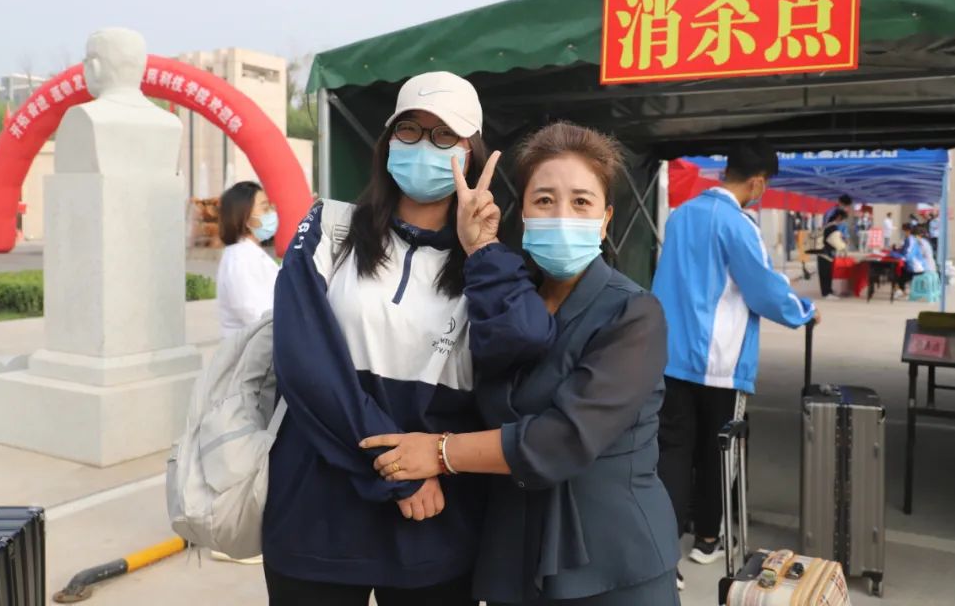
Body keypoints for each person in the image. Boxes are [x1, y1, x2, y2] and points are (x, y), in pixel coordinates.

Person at [360, 121, 681, 605]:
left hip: (612, 561)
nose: (562, 215)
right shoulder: (509, 300)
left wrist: (440, 452)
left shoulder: (634, 313)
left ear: (605, 219)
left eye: (581, 202)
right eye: (544, 200)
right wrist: (478, 247)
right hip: (513, 553)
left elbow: (563, 439)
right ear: (523, 213)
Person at [263, 72, 488, 606]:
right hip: (318, 513)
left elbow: (511, 366)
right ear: (388, 142)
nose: (424, 145)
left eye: (445, 135)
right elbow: (306, 365)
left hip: (432, 521)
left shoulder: (487, 265)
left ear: (472, 154)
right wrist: (400, 473)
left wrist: (485, 249)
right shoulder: (328, 227)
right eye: (409, 130)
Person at [652, 141, 818, 582]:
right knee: (717, 452)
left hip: (670, 358)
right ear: (757, 182)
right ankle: (708, 538)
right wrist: (804, 311)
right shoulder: (739, 225)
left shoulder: (681, 216)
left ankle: (662, 559)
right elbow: (764, 290)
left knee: (672, 454)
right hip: (719, 364)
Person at [216, 181, 281, 339]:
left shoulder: (251, 254)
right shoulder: (239, 260)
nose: (272, 213)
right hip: (253, 348)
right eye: (265, 208)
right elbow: (257, 316)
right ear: (244, 216)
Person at [818, 210, 849, 300]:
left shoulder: (828, 225)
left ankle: (829, 291)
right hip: (826, 253)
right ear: (839, 217)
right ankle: (826, 293)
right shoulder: (833, 227)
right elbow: (835, 241)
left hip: (824, 253)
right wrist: (844, 244)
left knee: (827, 273)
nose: (843, 222)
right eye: (843, 219)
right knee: (826, 273)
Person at [892, 223, 926, 299]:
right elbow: (904, 251)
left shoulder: (911, 240)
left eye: (904, 231)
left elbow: (907, 256)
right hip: (915, 266)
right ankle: (902, 291)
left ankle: (902, 292)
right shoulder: (911, 239)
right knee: (900, 272)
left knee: (898, 276)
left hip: (916, 268)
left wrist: (893, 254)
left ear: (908, 231)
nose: (903, 233)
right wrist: (896, 251)